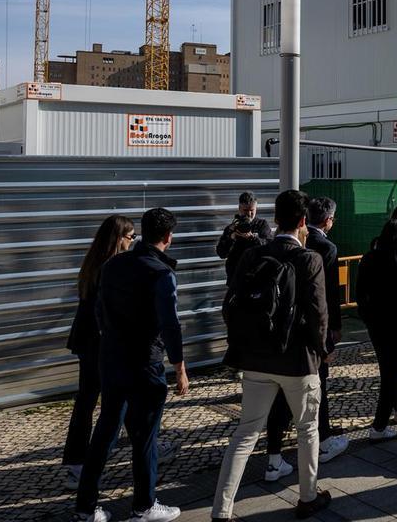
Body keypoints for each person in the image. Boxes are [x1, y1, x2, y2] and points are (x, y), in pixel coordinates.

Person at [211, 190, 331, 521]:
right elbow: (319, 315)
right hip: (298, 361)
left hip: (256, 359)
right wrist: (322, 352)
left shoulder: (253, 255)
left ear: (275, 219)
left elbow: (230, 305)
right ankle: (307, 497)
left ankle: (221, 510)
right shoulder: (310, 260)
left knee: (246, 432)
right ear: (304, 222)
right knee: (308, 429)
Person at [75, 208, 189, 522]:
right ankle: (144, 505)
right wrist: (179, 367)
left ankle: (85, 509)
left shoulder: (112, 265)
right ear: (168, 237)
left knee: (104, 434)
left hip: (111, 360)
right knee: (145, 436)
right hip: (145, 364)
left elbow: (99, 310)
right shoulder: (161, 273)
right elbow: (171, 325)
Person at [262, 198, 348, 482]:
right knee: (315, 392)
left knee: (271, 402)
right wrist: (328, 337)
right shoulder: (321, 251)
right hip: (305, 338)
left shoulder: (263, 250)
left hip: (270, 339)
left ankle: (273, 458)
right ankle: (319, 449)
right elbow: (324, 299)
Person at [62, 215, 136, 490]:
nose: (133, 242)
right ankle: (80, 463)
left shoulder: (94, 261)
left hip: (87, 341)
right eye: (131, 237)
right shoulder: (111, 266)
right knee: (109, 399)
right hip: (98, 342)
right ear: (119, 239)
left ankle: (76, 461)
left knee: (90, 399)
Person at [356, 220, 397, 439]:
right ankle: (379, 426)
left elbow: (359, 292)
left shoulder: (368, 258)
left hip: (376, 320)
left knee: (387, 368)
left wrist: (366, 316)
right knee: (392, 372)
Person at [216, 191, 274, 282]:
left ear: (256, 208)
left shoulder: (262, 225)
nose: (249, 214)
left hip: (257, 278)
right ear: (239, 208)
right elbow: (221, 253)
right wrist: (231, 238)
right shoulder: (232, 227)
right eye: (245, 210)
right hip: (235, 280)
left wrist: (253, 238)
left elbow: (270, 246)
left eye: (252, 210)